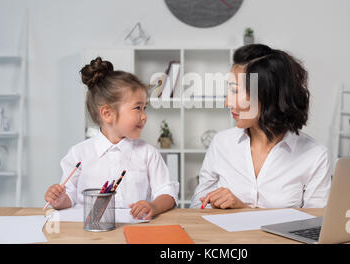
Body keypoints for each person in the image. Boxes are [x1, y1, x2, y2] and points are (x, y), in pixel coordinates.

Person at [190, 44, 331, 209]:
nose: (227, 102)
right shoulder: (221, 143)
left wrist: (243, 209)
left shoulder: (314, 156)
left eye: (236, 91)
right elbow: (196, 208)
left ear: (267, 95)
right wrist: (213, 204)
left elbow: (314, 224)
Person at [44, 57, 178, 220]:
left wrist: (153, 206)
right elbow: (69, 198)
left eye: (145, 108)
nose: (144, 117)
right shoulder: (78, 154)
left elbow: (167, 193)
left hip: (134, 230)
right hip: (90, 233)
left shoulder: (148, 154)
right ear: (107, 114)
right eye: (137, 108)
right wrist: (58, 199)